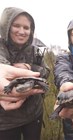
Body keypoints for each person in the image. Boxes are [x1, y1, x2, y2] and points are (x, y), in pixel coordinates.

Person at [0, 7, 50, 140]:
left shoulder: (35, 51)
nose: (22, 31)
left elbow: (46, 71)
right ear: (6, 27)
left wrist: (29, 66)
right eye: (16, 26)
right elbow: (5, 74)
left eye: (26, 27)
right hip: (6, 120)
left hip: (34, 114)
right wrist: (34, 71)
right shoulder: (1, 48)